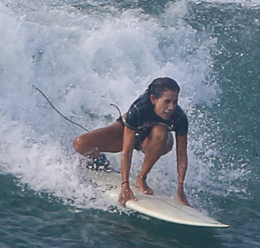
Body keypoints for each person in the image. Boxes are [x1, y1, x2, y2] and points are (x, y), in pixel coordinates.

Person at [73, 76, 190, 207]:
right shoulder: (139, 109)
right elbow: (127, 151)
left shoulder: (179, 117)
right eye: (167, 101)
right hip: (127, 134)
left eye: (175, 102)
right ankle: (100, 161)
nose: (171, 107)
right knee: (80, 143)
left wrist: (180, 189)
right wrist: (125, 185)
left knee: (160, 132)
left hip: (152, 142)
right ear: (153, 99)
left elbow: (181, 157)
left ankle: (142, 177)